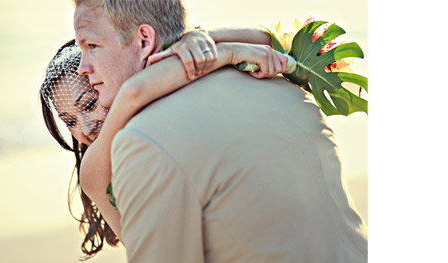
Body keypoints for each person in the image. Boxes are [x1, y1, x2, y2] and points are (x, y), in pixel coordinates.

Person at [72, 0, 368, 262]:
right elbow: (275, 41)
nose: (83, 67)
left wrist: (219, 47)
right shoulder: (279, 82)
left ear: (144, 40)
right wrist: (221, 47)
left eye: (92, 46)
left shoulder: (146, 140)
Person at [40, 29, 287, 257]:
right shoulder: (93, 171)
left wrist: (198, 38)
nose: (85, 127)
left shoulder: (159, 110)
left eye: (90, 105)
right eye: (69, 121)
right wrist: (227, 52)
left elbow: (269, 42)